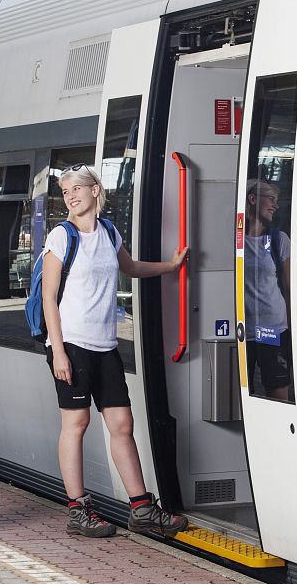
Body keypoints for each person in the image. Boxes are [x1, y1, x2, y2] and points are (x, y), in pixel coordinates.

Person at [42, 163, 189, 538]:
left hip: (105, 345)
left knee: (122, 424)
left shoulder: (108, 231)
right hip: (71, 344)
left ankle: (140, 509)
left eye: (76, 188)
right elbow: (48, 297)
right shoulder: (61, 236)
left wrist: (171, 266)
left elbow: (132, 267)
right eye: (65, 191)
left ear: (95, 191)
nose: (70, 196)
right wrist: (58, 352)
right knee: (76, 424)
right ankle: (77, 511)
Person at [244, 178, 292, 402]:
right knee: (242, 391)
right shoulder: (231, 240)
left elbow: (289, 286)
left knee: (277, 387)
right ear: (252, 199)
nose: (275, 205)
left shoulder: (278, 239)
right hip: (241, 330)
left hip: (271, 327)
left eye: (277, 200)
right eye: (270, 199)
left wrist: (292, 330)